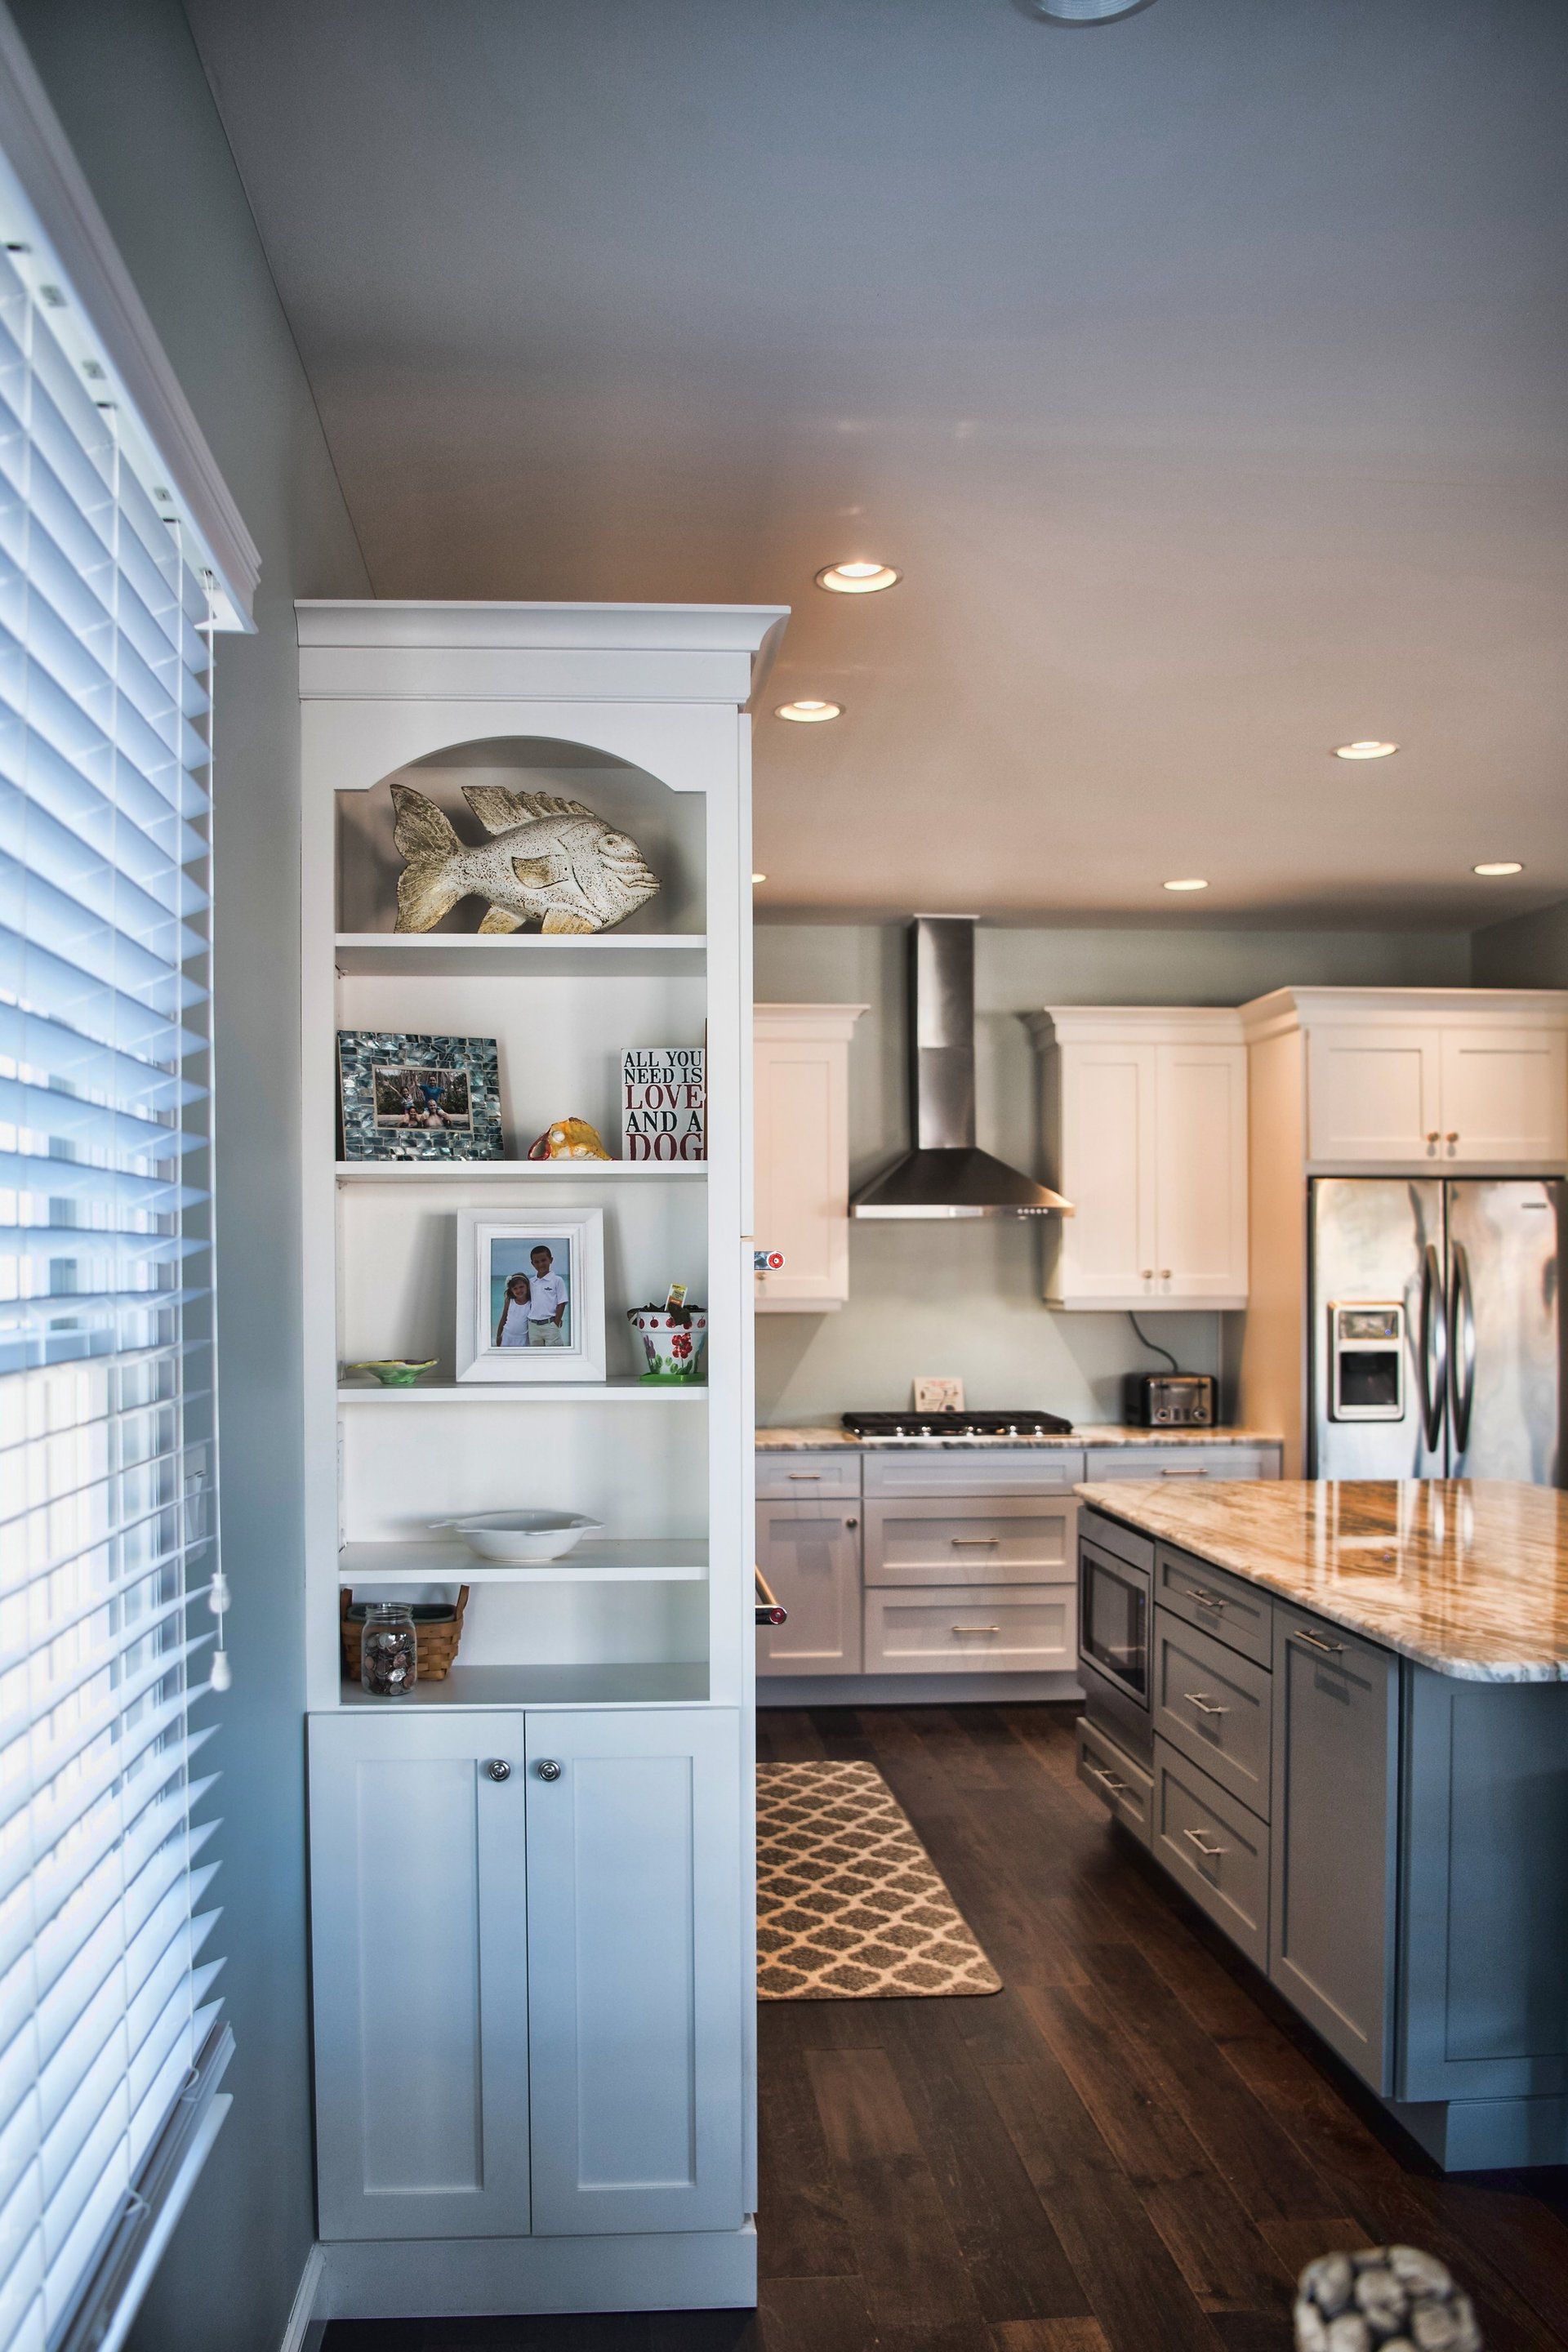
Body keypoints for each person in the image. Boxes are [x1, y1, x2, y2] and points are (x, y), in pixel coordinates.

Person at [523, 1244, 568, 1346]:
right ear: (532, 1263)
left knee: (555, 1357)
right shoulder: (531, 1282)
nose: (540, 1264)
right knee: (538, 1357)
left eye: (544, 1260)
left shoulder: (557, 1280)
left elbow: (561, 1303)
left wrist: (556, 1323)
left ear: (551, 1260)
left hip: (550, 1325)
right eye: (536, 1262)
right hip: (533, 1326)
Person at [495, 1270, 532, 1348]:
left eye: (521, 1287)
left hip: (523, 1338)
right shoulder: (509, 1301)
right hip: (507, 1336)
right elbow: (503, 1317)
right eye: (515, 1288)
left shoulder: (531, 1303)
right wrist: (498, 1335)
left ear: (527, 1286)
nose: (519, 1290)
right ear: (511, 1290)